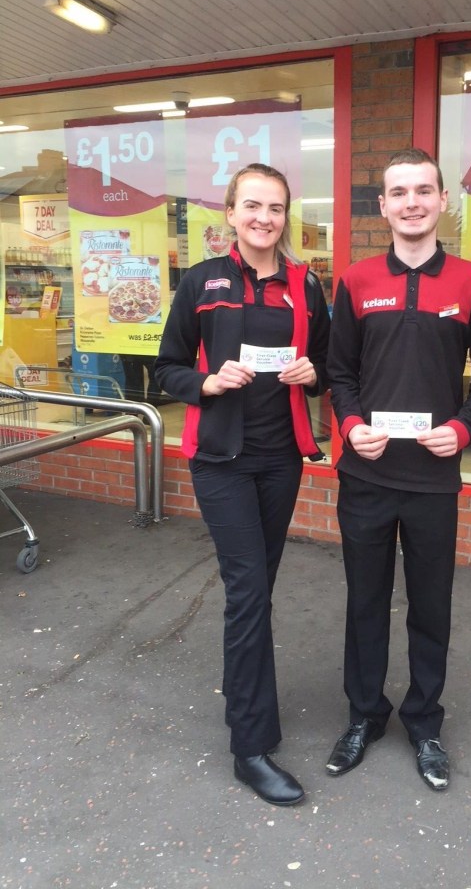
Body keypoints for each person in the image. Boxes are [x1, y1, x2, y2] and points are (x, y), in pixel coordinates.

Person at [325, 148, 471, 791]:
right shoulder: (353, 281)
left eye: (423, 191)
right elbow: (339, 374)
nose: (411, 203)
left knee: (431, 606)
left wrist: (460, 431)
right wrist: (350, 428)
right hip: (366, 477)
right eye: (398, 192)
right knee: (365, 604)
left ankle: (425, 723)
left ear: (441, 201)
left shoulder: (470, 283)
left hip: (433, 480)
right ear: (383, 206)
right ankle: (364, 716)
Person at [154, 163, 330, 807]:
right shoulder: (202, 282)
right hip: (222, 461)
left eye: (276, 208)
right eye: (252, 206)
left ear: (287, 217)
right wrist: (204, 383)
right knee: (249, 591)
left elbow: (330, 366)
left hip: (281, 460)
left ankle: (250, 718)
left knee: (258, 589)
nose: (264, 218)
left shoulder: (307, 286)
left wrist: (313, 373)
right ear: (230, 213)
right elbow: (165, 368)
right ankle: (250, 747)